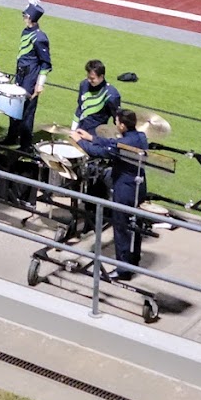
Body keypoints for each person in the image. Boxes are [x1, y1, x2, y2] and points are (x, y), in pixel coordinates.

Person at [71, 110, 148, 279]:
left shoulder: (123, 144)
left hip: (125, 188)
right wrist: (92, 138)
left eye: (117, 122)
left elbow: (102, 152)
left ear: (121, 125)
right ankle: (133, 261)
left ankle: (123, 271)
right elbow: (112, 143)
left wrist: (80, 142)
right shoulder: (141, 136)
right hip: (139, 184)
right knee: (135, 226)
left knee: (121, 227)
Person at [5, 0, 52, 149]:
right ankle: (11, 136)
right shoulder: (26, 31)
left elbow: (46, 62)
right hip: (20, 74)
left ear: (31, 18)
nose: (23, 18)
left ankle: (25, 145)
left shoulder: (39, 37)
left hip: (30, 77)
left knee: (27, 112)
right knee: (14, 106)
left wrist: (40, 84)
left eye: (25, 16)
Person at [71, 60, 121, 135]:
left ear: (101, 76)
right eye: (88, 77)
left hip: (96, 136)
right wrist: (73, 129)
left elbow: (117, 120)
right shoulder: (84, 84)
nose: (89, 80)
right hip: (79, 130)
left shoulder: (111, 95)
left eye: (92, 78)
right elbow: (80, 108)